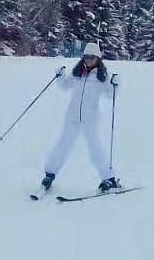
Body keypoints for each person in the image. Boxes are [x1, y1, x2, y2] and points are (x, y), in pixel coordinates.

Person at [40, 42, 122, 194]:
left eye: (91, 57)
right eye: (85, 57)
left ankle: (108, 179)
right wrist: (60, 76)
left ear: (98, 58)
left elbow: (111, 94)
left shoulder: (102, 76)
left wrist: (116, 85)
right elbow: (65, 86)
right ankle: (50, 174)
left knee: (96, 149)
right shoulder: (78, 72)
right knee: (62, 145)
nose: (88, 60)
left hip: (90, 118)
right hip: (72, 116)